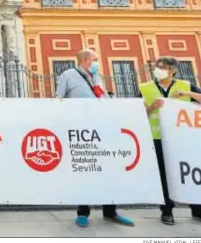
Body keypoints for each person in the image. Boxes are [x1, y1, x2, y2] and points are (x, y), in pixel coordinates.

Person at [55, 49, 134, 228]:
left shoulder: (97, 78)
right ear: (85, 59)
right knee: (85, 170)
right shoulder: (67, 75)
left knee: (107, 169)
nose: (98, 62)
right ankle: (83, 212)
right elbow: (58, 99)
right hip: (81, 131)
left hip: (101, 128)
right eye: (95, 59)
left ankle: (110, 211)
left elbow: (103, 99)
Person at [138, 56, 201, 225]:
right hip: (156, 138)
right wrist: (151, 108)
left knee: (187, 173)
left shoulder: (186, 86)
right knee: (163, 175)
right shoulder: (145, 88)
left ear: (172, 70)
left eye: (161, 67)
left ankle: (196, 208)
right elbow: (135, 113)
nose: (156, 70)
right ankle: (166, 211)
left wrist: (187, 94)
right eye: (155, 67)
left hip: (183, 138)